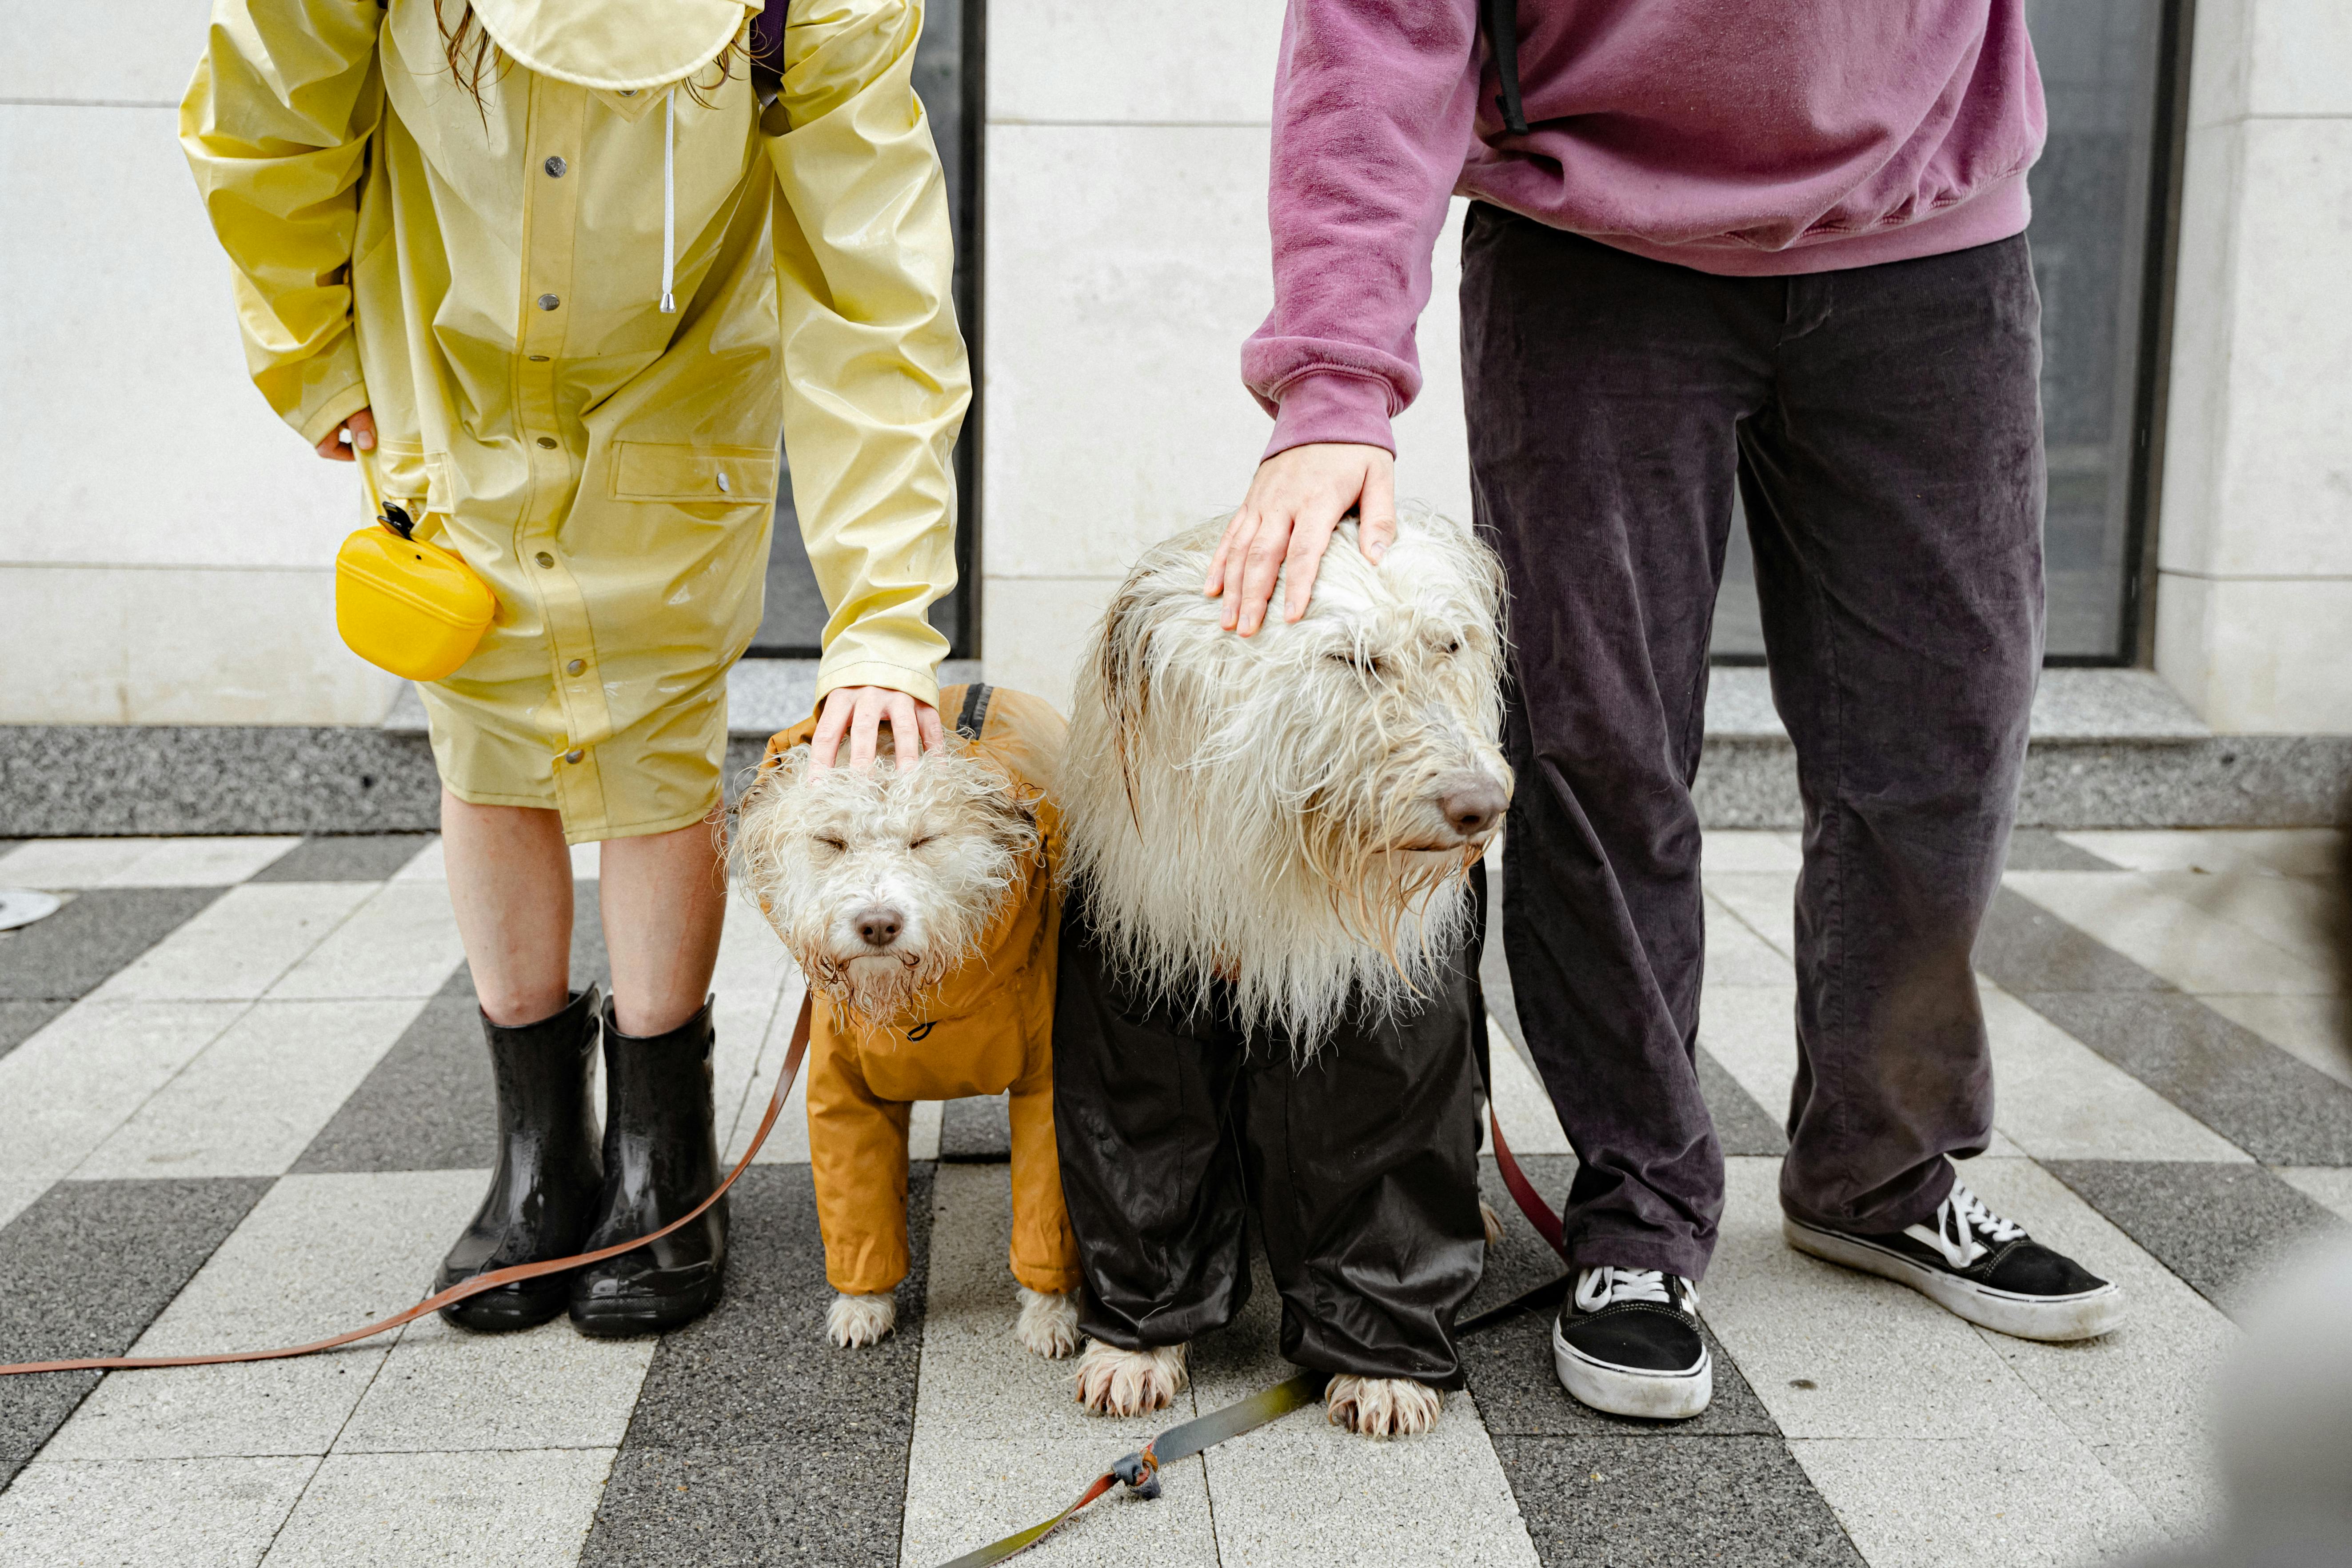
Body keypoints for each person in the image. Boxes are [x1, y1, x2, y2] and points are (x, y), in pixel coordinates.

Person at [1214, 0, 2127, 1420]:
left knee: (1949, 731)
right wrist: (1335, 376)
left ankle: (1879, 1168)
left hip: (1932, 224)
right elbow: (1377, 24)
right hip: (1600, 239)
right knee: (1597, 748)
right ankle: (1638, 1206)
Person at [181, 0, 966, 1336]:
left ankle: (666, 1164)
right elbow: (269, 122)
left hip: (680, 382)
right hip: (444, 366)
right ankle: (540, 1158)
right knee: (482, 729)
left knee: (660, 735)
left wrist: (885, 614)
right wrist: (310, 352)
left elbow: (870, 277)